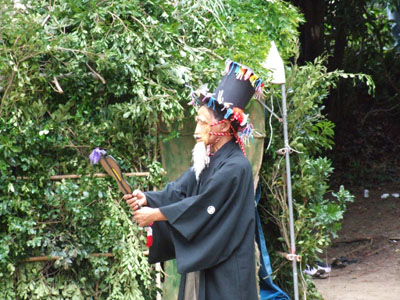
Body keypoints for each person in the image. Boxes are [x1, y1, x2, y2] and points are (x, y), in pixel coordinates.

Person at [123, 60, 265, 300]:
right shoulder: (208, 159)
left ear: (223, 125)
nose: (196, 129)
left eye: (202, 122)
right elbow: (179, 191)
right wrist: (147, 198)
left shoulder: (235, 167)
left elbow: (203, 205)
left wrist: (156, 215)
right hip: (208, 258)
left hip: (229, 267)